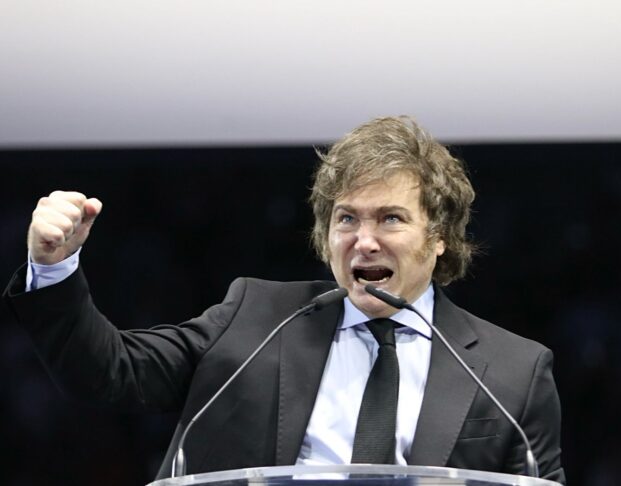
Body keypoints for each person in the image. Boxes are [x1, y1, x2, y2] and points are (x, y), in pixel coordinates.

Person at [4, 116, 565, 483]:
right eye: (347, 219)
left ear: (439, 237)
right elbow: (109, 373)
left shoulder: (513, 372)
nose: (364, 240)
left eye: (390, 218)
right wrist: (54, 267)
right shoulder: (257, 318)